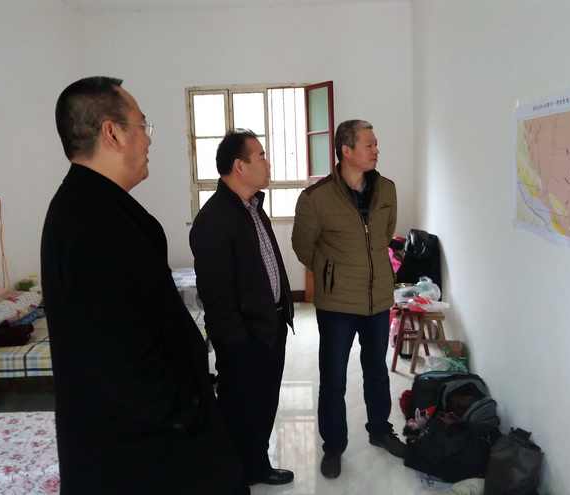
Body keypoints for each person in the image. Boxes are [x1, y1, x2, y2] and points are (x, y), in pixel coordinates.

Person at [41, 76, 247, 495]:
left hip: (146, 436)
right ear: (112, 133)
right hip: (144, 450)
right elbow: (126, 360)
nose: (149, 139)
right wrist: (188, 413)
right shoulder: (93, 224)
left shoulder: (92, 206)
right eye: (142, 126)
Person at [291, 119, 405, 479]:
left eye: (375, 143)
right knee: (333, 378)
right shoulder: (316, 198)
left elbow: (385, 235)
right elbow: (303, 247)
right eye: (369, 144)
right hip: (337, 304)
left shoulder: (386, 189)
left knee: (377, 371)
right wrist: (333, 273)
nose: (376, 150)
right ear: (346, 151)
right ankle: (333, 446)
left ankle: (380, 430)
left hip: (378, 300)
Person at [189, 129, 295, 487]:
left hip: (271, 326)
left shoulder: (253, 208)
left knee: (264, 404)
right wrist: (238, 342)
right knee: (238, 410)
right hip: (246, 339)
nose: (268, 163)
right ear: (239, 166)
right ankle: (230, 477)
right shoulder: (214, 220)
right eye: (261, 156)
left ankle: (256, 465)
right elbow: (216, 297)